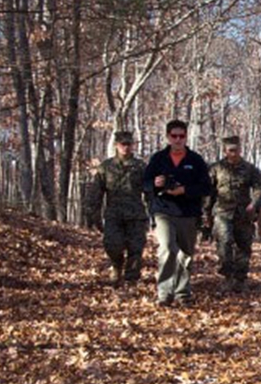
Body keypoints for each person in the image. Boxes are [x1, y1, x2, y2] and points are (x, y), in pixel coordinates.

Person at [143, 119, 212, 306]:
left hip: (188, 212)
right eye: (174, 136)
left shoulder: (195, 160)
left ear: (186, 137)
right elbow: (144, 184)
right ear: (168, 137)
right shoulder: (158, 159)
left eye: (181, 136)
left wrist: (185, 190)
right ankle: (164, 293)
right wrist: (155, 184)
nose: (178, 140)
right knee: (166, 248)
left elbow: (206, 187)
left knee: (186, 253)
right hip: (163, 210)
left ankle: (183, 293)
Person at [84, 131, 148, 284]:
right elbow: (96, 193)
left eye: (129, 144)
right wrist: (93, 215)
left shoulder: (141, 167)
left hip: (136, 214)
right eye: (122, 144)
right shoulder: (106, 167)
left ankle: (131, 279)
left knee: (136, 248)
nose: (126, 147)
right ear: (116, 145)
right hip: (114, 214)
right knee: (112, 245)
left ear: (133, 145)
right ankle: (117, 265)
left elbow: (150, 191)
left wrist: (155, 212)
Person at [203, 136, 261, 292]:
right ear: (225, 151)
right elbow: (208, 191)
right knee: (224, 242)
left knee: (244, 245)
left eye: (236, 150)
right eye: (231, 150)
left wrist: (254, 203)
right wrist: (206, 212)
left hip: (243, 212)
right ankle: (227, 277)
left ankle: (241, 279)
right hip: (222, 212)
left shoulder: (249, 168)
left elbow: (259, 186)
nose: (234, 153)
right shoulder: (216, 168)